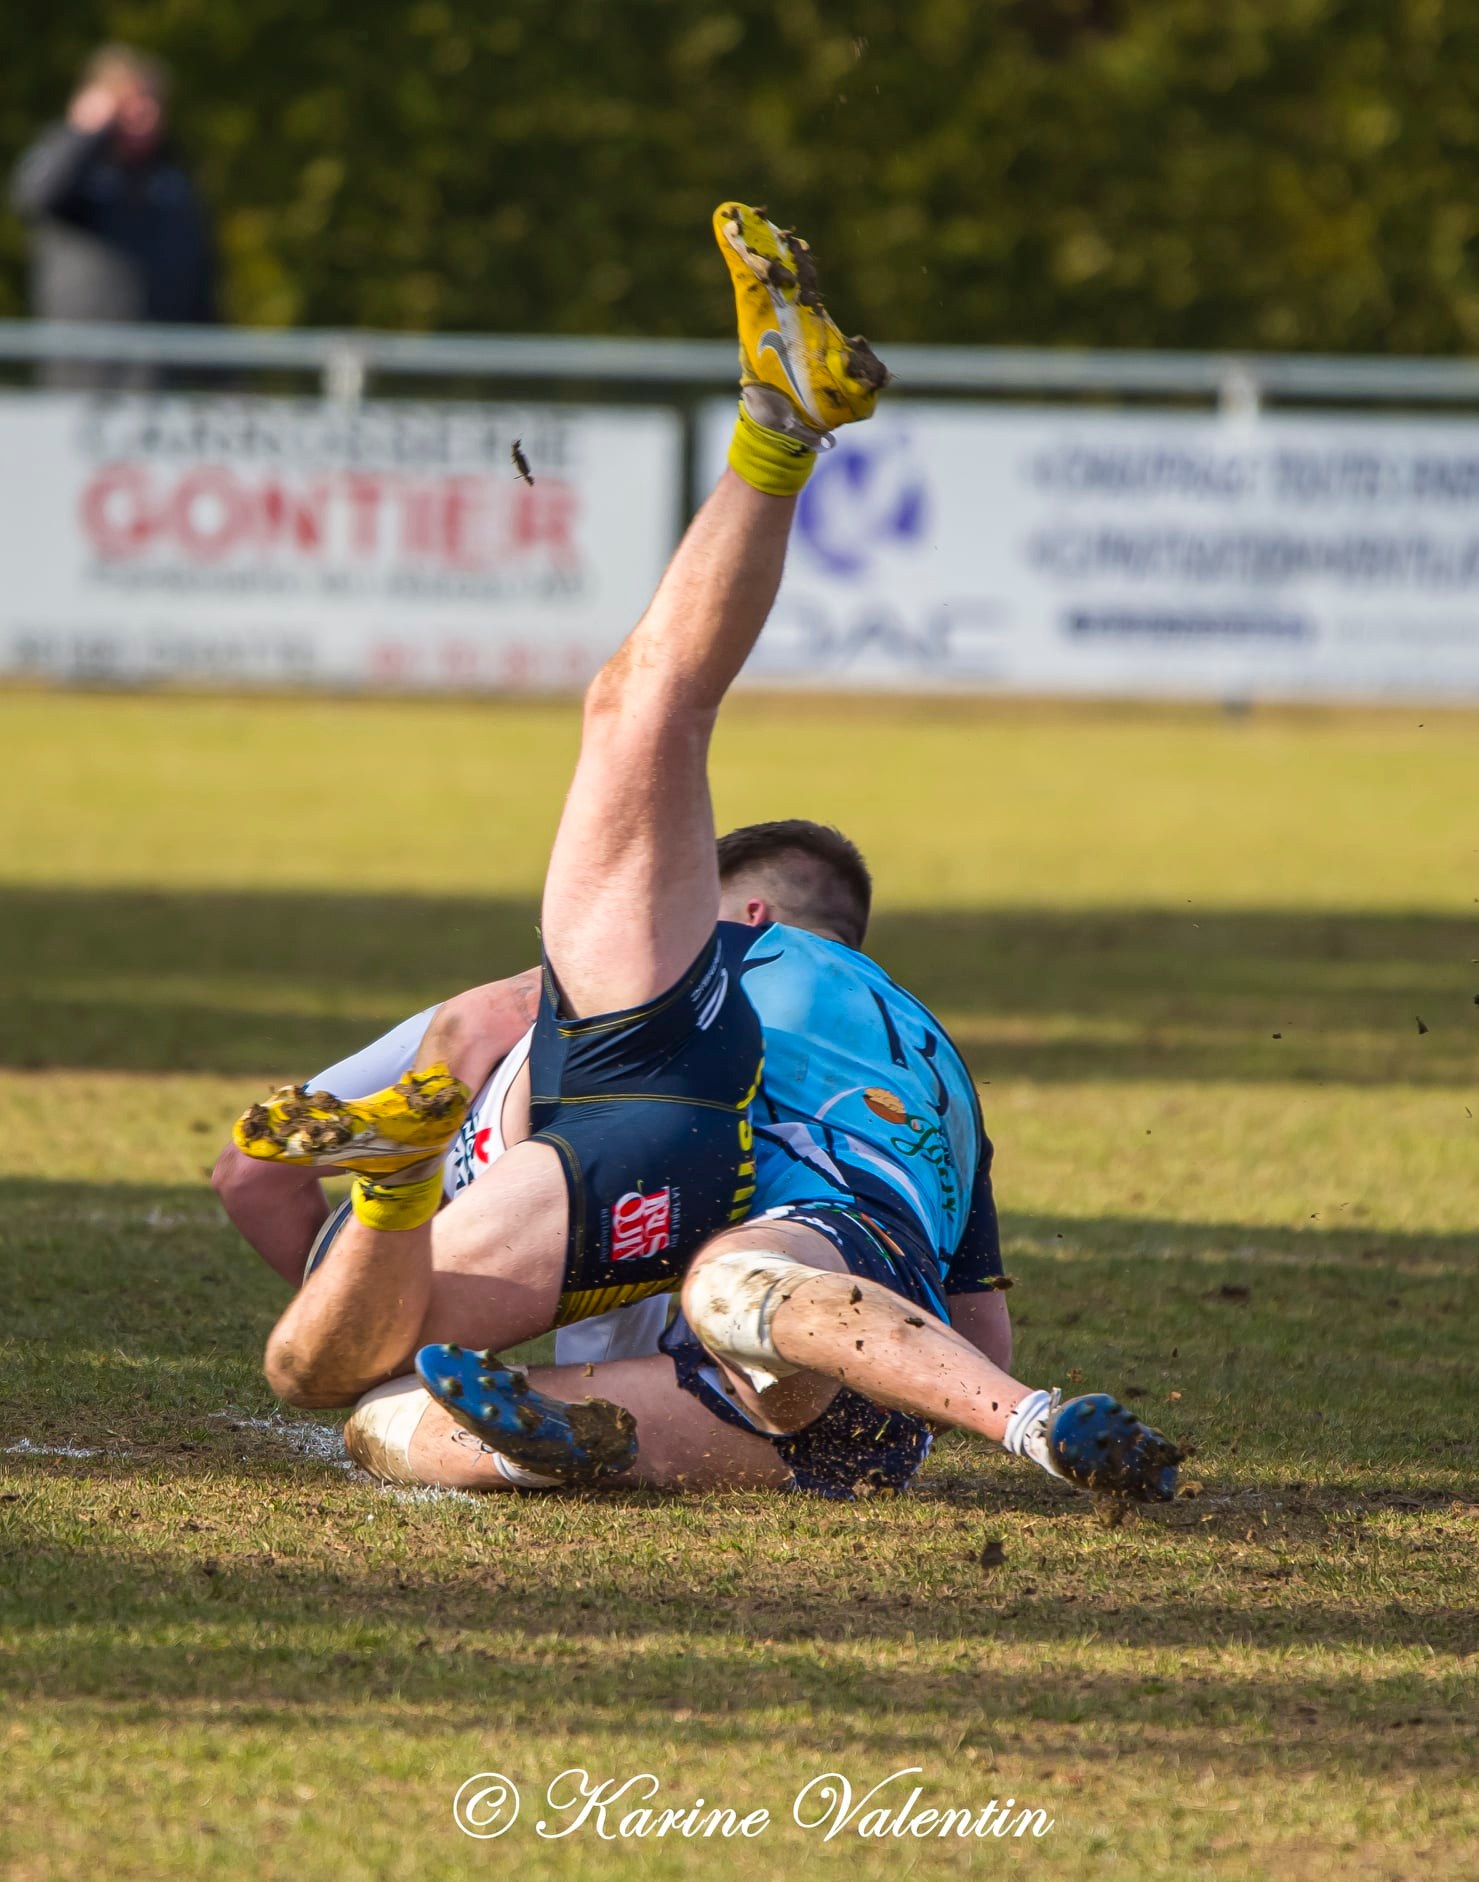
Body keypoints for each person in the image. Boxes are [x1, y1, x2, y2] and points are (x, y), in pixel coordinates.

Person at [226, 202, 1178, 1508]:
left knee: (370, 1399)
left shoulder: (717, 963)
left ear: (735, 915)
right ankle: (618, 1436)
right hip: (799, 1341)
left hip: (656, 1134)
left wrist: (426, 1147)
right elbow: (981, 1322)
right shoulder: (936, 1060)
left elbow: (317, 1129)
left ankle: (775, 433)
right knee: (717, 1319)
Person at [9, 46, 216, 386]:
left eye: (154, 101)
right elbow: (33, 198)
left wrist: (221, 375)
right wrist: (85, 132)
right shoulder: (72, 167)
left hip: (158, 378)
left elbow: (201, 276)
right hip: (80, 375)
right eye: (132, 102)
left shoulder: (172, 177)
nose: (147, 112)